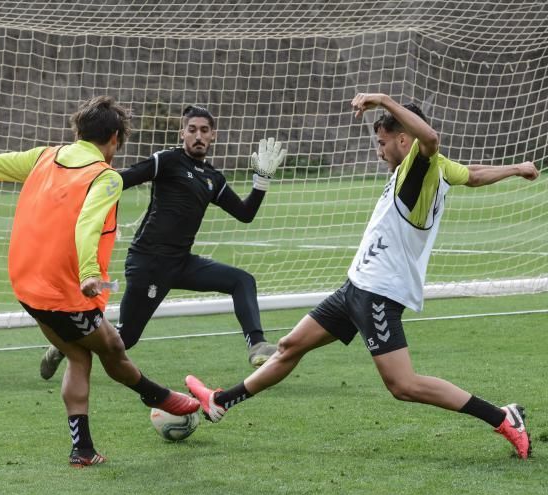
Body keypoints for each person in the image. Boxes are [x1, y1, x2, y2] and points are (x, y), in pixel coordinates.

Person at [185, 93, 538, 460]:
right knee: (291, 346)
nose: (378, 151)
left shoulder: (420, 167)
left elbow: (430, 140)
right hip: (356, 286)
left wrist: (383, 100)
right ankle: (221, 402)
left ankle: (503, 418)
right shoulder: (437, 168)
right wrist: (516, 169)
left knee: (402, 385)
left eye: (382, 143)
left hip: (379, 293)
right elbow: (475, 175)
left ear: (405, 140)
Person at [0, 96, 200, 467]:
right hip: (63, 290)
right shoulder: (105, 176)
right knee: (111, 349)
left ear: (78, 131)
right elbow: (87, 224)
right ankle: (155, 395)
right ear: (114, 138)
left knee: (79, 354)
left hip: (25, 282)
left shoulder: (45, 155)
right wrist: (90, 273)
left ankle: (83, 450)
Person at [38, 105, 287, 380]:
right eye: (192, 130)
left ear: (213, 135)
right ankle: (65, 342)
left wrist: (261, 180)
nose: (198, 136)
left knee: (242, 280)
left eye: (204, 130)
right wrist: (89, 200)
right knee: (123, 340)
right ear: (182, 133)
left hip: (181, 263)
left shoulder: (213, 179)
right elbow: (121, 179)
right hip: (149, 263)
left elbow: (245, 213)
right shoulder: (167, 161)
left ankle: (257, 346)